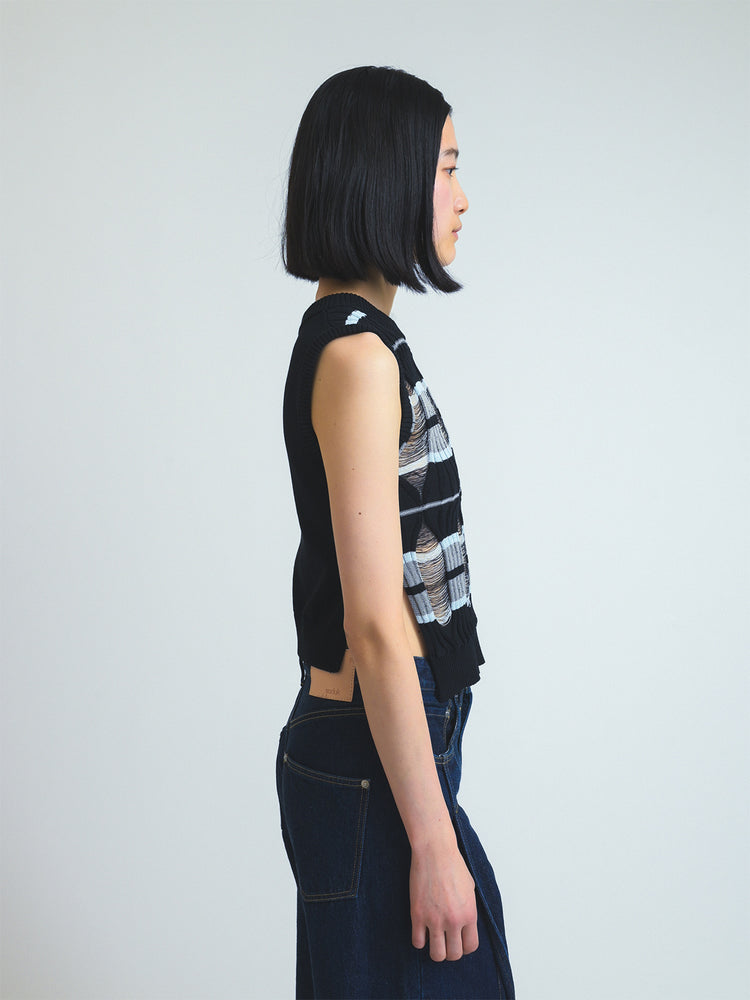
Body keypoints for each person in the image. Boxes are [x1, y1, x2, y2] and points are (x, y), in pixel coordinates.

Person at [276, 66, 515, 1000]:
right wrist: (431, 841)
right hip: (372, 762)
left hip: (381, 755)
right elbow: (376, 622)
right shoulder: (357, 354)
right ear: (388, 175)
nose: (463, 196)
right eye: (446, 167)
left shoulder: (355, 340)